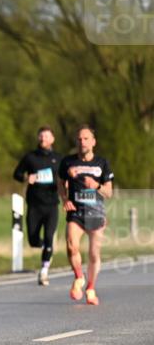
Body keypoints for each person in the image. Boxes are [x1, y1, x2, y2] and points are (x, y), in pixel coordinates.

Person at [57, 125, 114, 306]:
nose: (82, 142)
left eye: (86, 138)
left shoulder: (102, 163)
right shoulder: (67, 162)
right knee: (71, 246)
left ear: (93, 142)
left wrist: (95, 185)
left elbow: (109, 193)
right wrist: (65, 198)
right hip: (76, 212)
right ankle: (79, 277)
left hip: (96, 213)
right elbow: (60, 182)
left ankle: (90, 287)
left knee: (93, 254)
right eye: (79, 139)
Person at [13, 126, 61, 286]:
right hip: (34, 204)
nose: (43, 139)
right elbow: (17, 174)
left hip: (52, 204)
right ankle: (46, 248)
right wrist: (27, 177)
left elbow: (66, 178)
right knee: (33, 239)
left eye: (46, 137)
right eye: (41, 136)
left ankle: (44, 271)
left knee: (49, 237)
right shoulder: (30, 157)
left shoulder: (59, 159)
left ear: (52, 139)